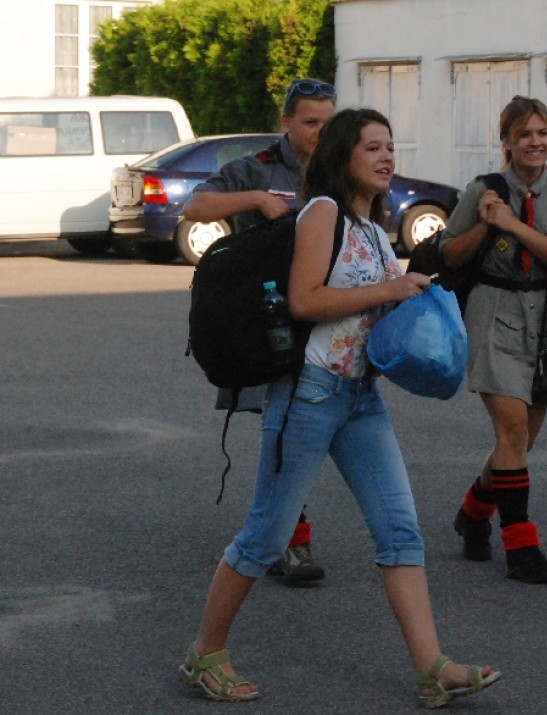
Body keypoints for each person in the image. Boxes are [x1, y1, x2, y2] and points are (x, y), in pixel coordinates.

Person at [177, 108, 501, 706]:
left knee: (400, 531)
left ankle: (433, 669)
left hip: (360, 398)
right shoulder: (322, 212)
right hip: (310, 394)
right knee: (266, 537)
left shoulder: (374, 230)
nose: (386, 156)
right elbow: (304, 300)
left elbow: (375, 307)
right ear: (343, 155)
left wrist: (419, 300)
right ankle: (204, 654)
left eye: (390, 146)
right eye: (372, 147)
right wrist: (392, 288)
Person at [184, 78, 337, 585]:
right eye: (310, 122)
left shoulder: (341, 166)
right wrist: (255, 199)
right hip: (268, 322)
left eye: (328, 123)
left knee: (307, 431)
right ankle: (289, 541)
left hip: (327, 317)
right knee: (285, 429)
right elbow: (196, 207)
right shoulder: (256, 169)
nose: (320, 132)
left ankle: (275, 534)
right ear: (286, 122)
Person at [439, 96, 547, 584]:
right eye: (524, 134)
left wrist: (512, 225)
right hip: (493, 310)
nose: (534, 142)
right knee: (512, 431)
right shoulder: (483, 190)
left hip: (543, 319)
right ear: (506, 141)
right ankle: (521, 546)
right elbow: (449, 254)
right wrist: (486, 223)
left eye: (542, 133)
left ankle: (473, 513)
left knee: (521, 441)